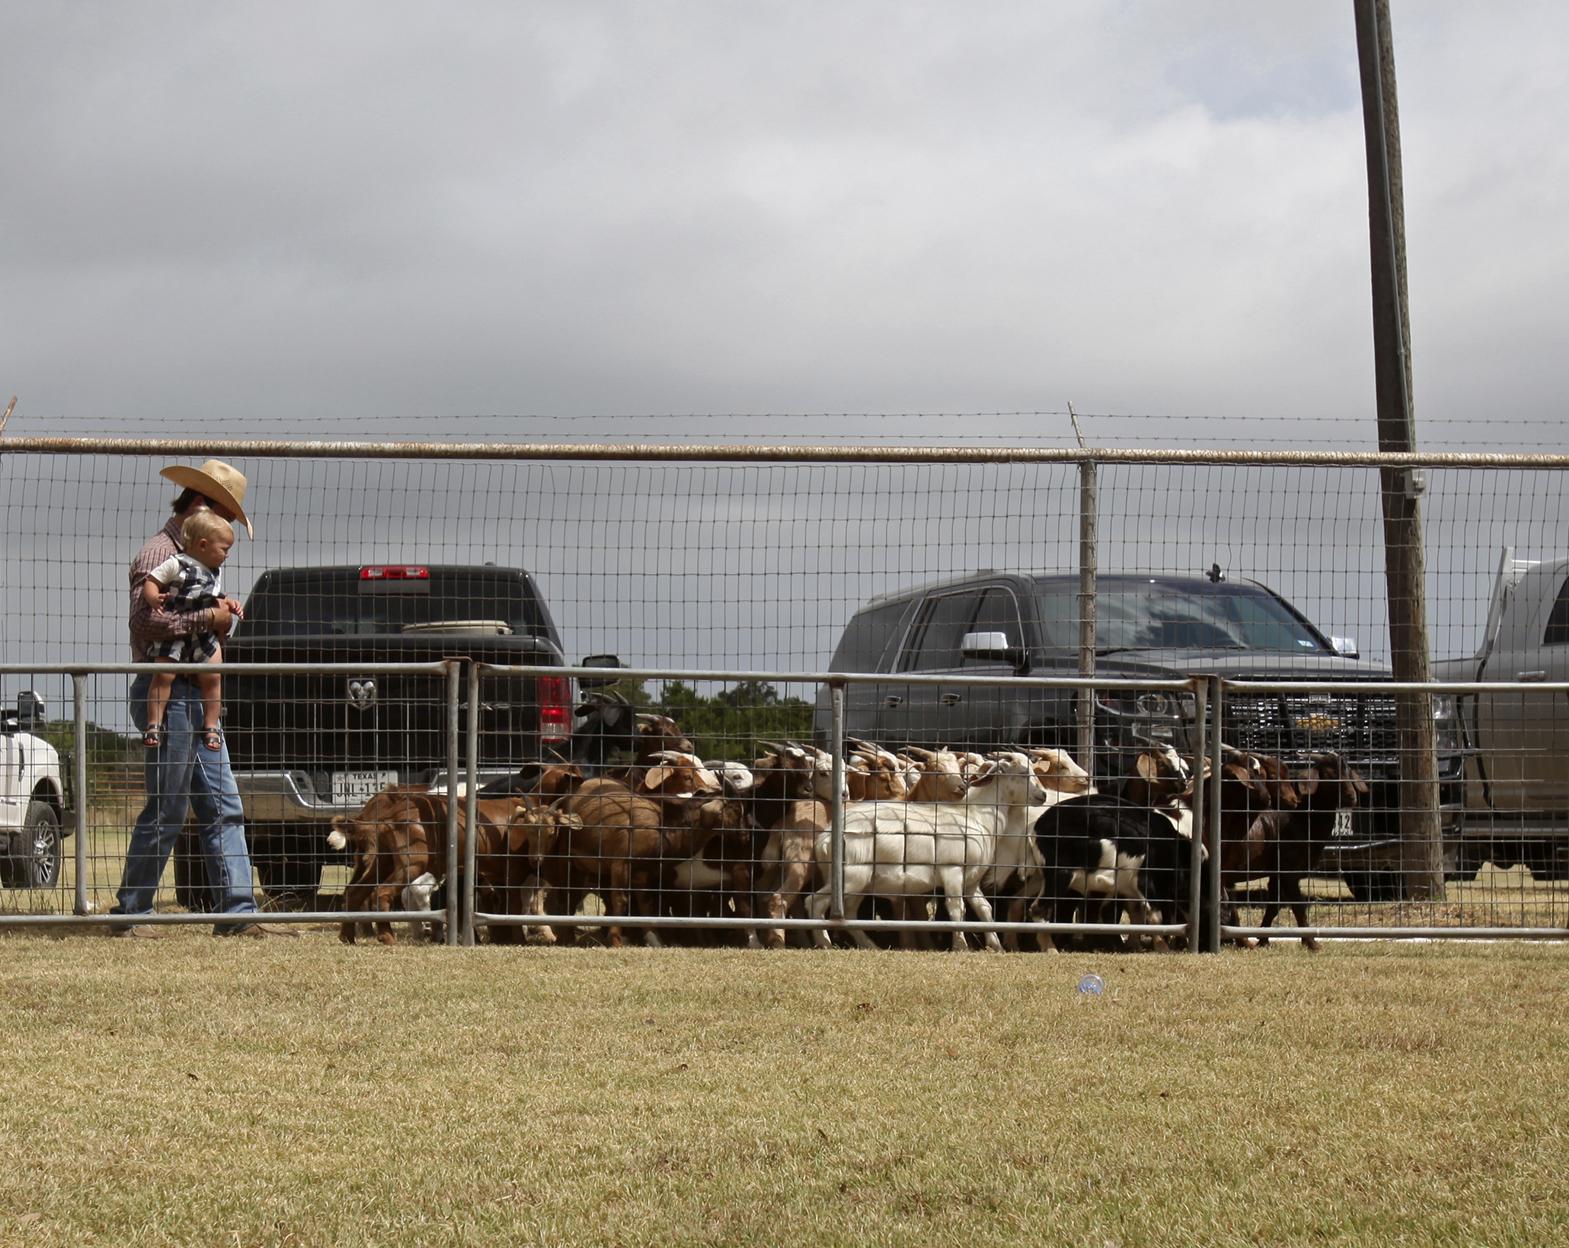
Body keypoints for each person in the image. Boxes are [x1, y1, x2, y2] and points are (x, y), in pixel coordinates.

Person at [110, 459, 296, 939]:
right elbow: (144, 624)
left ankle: (237, 913)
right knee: (169, 805)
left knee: (222, 803)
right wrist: (208, 621)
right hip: (168, 694)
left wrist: (217, 616)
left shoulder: (199, 558)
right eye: (226, 519)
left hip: (195, 694)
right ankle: (132, 912)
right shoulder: (159, 554)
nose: (227, 533)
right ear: (202, 506)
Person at [139, 509, 237, 753]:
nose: (227, 555)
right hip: (176, 631)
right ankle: (154, 723)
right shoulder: (175, 562)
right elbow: (151, 581)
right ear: (203, 545)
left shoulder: (215, 571)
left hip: (203, 635)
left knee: (214, 676)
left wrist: (230, 604)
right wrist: (153, 598)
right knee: (163, 674)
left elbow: (215, 596)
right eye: (224, 549)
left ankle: (212, 725)